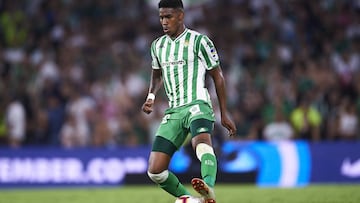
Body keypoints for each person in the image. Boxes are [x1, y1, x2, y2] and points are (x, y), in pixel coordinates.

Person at [141, 0, 237, 203]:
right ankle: (190, 200)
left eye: (168, 16)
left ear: (181, 16)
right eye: (161, 17)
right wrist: (151, 97)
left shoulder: (200, 41)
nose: (164, 22)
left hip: (197, 104)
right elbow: (157, 75)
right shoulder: (157, 46)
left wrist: (224, 113)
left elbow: (217, 75)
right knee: (155, 171)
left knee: (201, 144)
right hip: (174, 111)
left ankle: (208, 188)